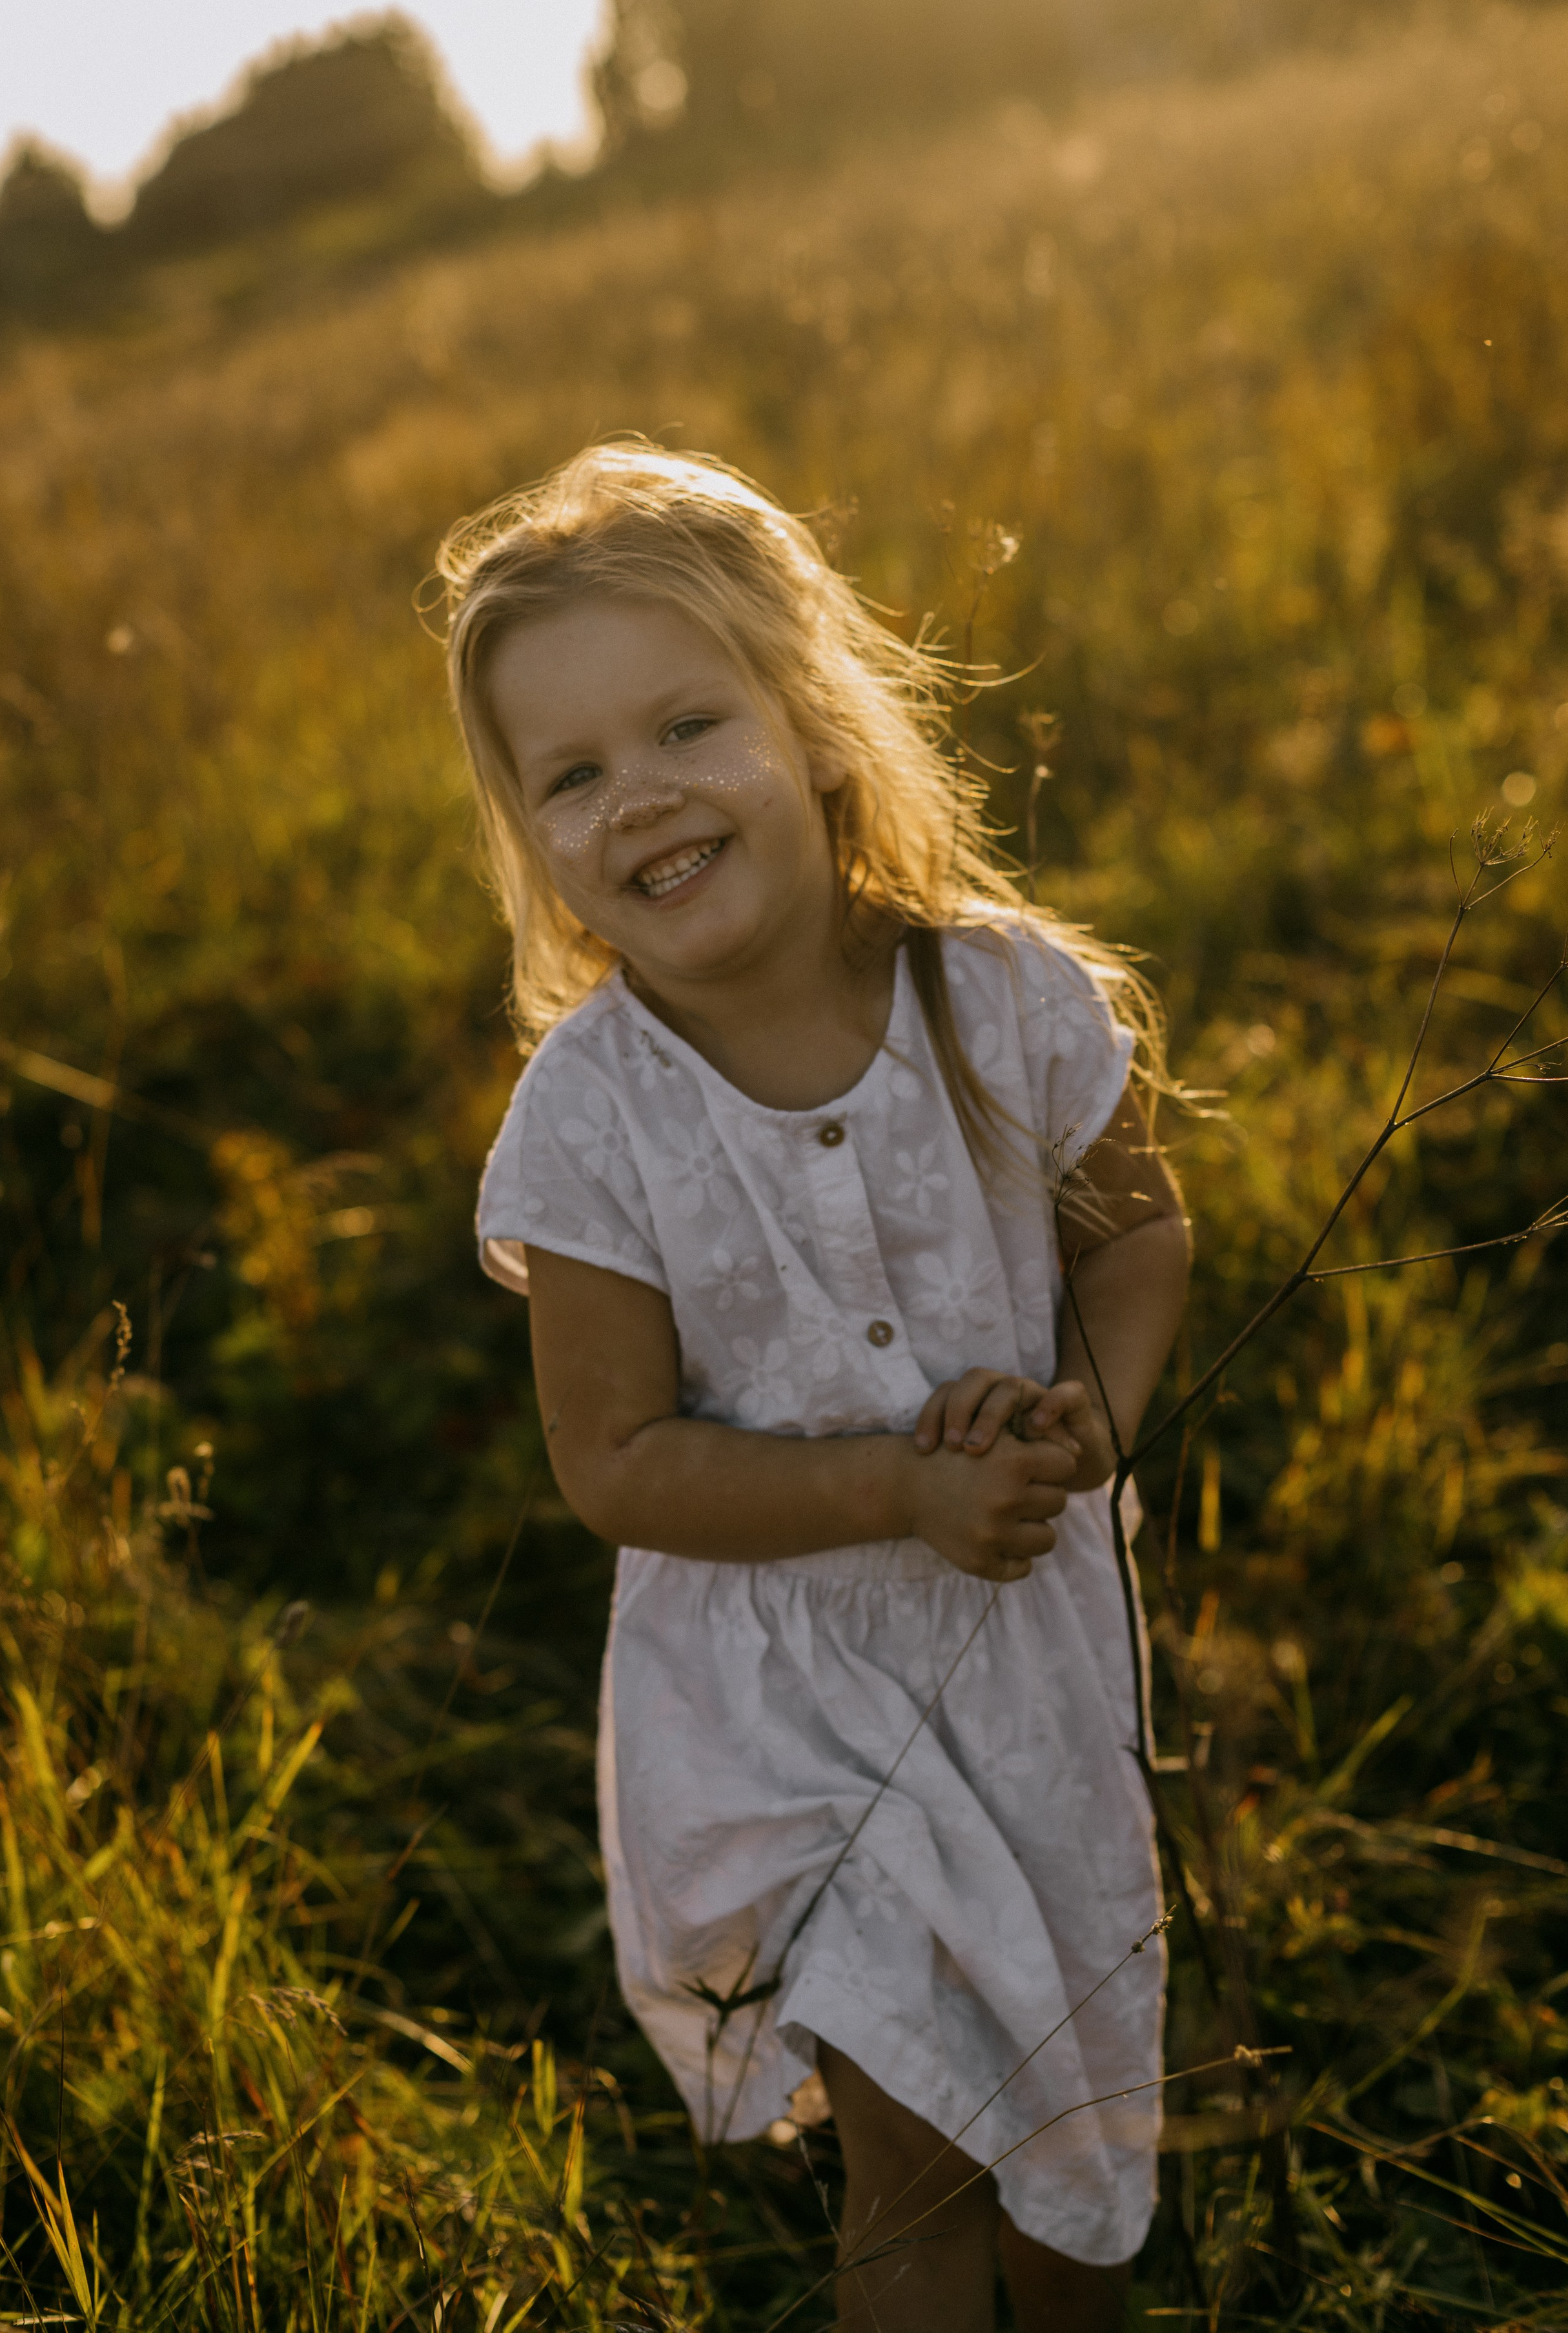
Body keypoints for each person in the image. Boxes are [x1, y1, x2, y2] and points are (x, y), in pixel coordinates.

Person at [440, 442, 1190, 2332]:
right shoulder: (592, 1119)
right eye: (575, 774)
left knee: (1080, 2134)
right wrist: (888, 1492)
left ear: (818, 720)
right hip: (775, 1718)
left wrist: (1091, 1416)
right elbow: (613, 1459)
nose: (645, 798)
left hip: (1026, 1667)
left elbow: (1137, 1236)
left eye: (689, 721)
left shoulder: (1004, 1000)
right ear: (528, 835)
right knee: (914, 2149)